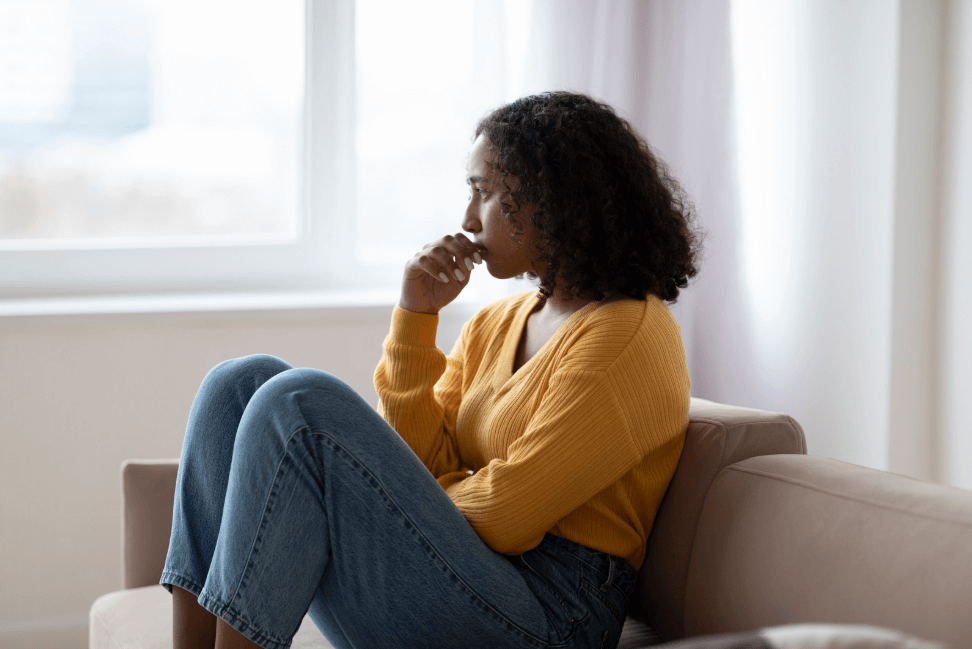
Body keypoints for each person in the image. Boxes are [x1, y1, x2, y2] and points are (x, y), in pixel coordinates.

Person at [160, 91, 700, 649]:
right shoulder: (498, 322)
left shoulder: (630, 336)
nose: (468, 217)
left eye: (484, 192)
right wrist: (417, 318)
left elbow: (509, 518)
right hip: (467, 572)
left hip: (551, 614)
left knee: (299, 402)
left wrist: (412, 500)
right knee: (238, 384)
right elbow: (423, 458)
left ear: (553, 200)